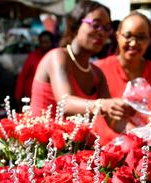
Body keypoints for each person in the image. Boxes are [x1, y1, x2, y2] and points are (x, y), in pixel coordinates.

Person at [30, 0, 131, 143]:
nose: (101, 32)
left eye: (107, 28)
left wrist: (144, 134)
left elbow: (113, 120)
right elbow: (65, 103)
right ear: (75, 25)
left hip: (71, 154)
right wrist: (102, 104)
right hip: (38, 152)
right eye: (95, 25)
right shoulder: (57, 57)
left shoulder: (97, 73)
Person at [95, 11, 151, 99]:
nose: (133, 43)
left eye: (141, 37)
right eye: (127, 36)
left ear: (149, 40)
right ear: (117, 36)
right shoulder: (99, 70)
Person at [14, 31, 55, 106]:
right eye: (42, 42)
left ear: (52, 43)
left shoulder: (56, 58)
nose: (44, 45)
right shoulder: (32, 57)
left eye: (46, 42)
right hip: (32, 98)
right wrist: (18, 96)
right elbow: (22, 77)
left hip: (50, 98)